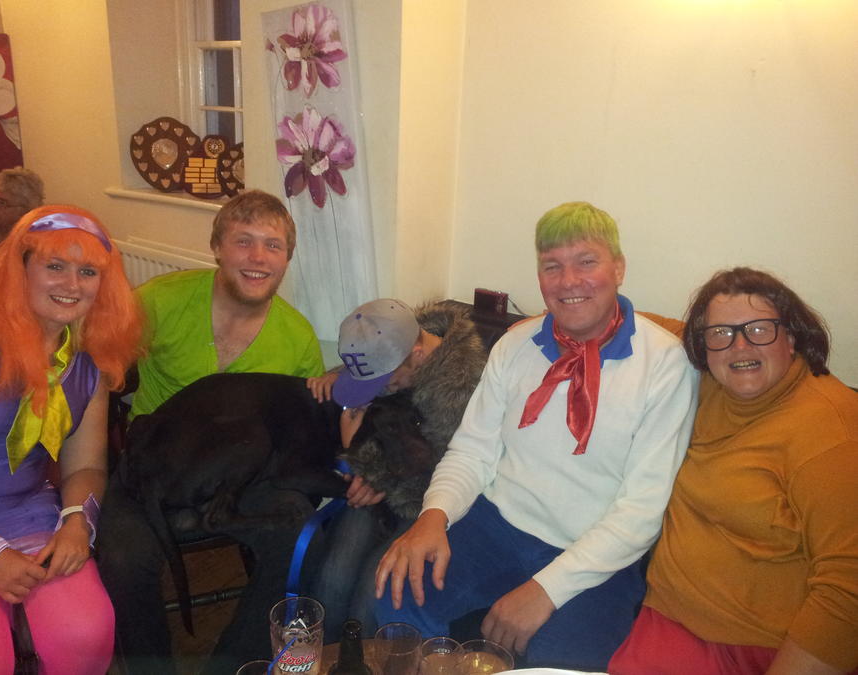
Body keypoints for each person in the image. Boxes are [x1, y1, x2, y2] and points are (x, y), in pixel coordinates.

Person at [375, 201, 700, 671]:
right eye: (552, 266)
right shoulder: (516, 344)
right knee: (395, 595)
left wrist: (545, 590)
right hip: (495, 524)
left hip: (597, 553)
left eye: (586, 261)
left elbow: (641, 511)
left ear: (619, 268)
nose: (568, 281)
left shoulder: (666, 364)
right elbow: (472, 451)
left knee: (561, 665)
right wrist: (433, 516)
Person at [97, 189, 326, 675]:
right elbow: (97, 371)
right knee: (121, 558)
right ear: (217, 247)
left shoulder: (298, 337)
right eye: (243, 241)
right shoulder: (161, 300)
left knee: (302, 536)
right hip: (156, 469)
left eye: (272, 245)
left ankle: (230, 664)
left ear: (287, 258)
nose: (258, 257)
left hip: (239, 480)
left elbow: (304, 434)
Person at [609, 267, 858, 675]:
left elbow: (848, 587)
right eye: (721, 333)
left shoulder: (832, 430)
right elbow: (646, 323)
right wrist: (554, 319)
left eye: (759, 329)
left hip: (760, 647)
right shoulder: (710, 383)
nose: (739, 346)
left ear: (792, 336)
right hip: (667, 620)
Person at [0, 205, 142, 674]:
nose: (72, 284)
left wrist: (78, 522)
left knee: (85, 632)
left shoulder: (89, 359)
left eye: (88, 272)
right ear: (19, 268)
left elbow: (86, 466)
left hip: (27, 513)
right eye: (55, 266)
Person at [308, 298, 488, 641]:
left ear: (417, 355)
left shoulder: (464, 386)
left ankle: (362, 660)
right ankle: (325, 656)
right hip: (378, 481)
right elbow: (365, 384)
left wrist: (376, 474)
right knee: (333, 574)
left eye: (385, 383)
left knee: (372, 591)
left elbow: (457, 470)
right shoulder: (391, 342)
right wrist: (335, 381)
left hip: (425, 503)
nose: (380, 390)